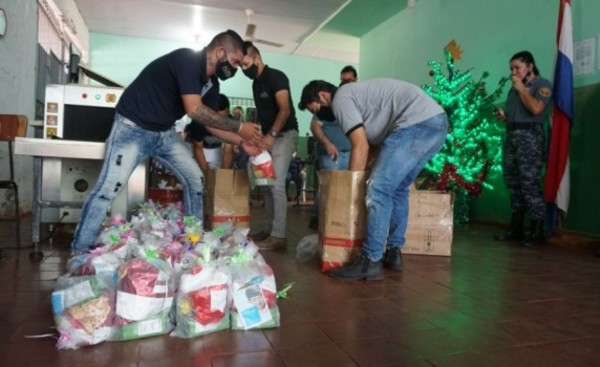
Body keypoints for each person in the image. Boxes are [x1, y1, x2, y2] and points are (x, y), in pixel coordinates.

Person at [70, 30, 262, 254]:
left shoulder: (211, 83)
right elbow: (194, 110)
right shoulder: (187, 60)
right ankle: (80, 249)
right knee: (108, 189)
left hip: (163, 133)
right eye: (235, 62)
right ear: (220, 52)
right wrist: (240, 127)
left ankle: (194, 244)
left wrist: (241, 142)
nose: (236, 69)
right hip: (132, 127)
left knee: (195, 180)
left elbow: (211, 124)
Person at [299, 79, 448, 280]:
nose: (317, 115)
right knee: (397, 189)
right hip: (436, 124)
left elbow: (360, 146)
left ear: (323, 95)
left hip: (416, 123)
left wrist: (350, 189)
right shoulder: (361, 101)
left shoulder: (341, 98)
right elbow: (373, 149)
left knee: (378, 189)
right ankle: (394, 253)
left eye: (315, 109)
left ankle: (371, 260)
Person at [241, 41, 299, 251]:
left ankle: (279, 235)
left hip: (284, 134)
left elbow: (284, 110)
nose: (243, 69)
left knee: (277, 184)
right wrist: (260, 136)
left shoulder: (276, 76)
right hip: (269, 135)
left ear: (257, 58)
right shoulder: (255, 84)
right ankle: (267, 229)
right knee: (265, 183)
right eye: (241, 66)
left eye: (246, 64)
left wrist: (272, 135)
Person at [493, 51, 552, 247]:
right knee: (512, 183)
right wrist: (505, 116)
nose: (514, 72)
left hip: (530, 138)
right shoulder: (513, 90)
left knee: (529, 184)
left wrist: (521, 89)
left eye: (517, 67)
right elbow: (517, 114)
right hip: (512, 137)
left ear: (530, 67)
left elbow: (536, 109)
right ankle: (516, 228)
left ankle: (537, 232)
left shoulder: (542, 85)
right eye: (511, 68)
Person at [308, 67, 356, 229]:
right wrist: (327, 143)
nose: (345, 83)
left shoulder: (353, 102)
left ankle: (338, 220)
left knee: (346, 188)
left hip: (350, 153)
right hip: (330, 154)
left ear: (356, 80)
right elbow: (315, 125)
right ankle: (318, 218)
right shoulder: (328, 105)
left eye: (349, 80)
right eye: (343, 80)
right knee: (328, 187)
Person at [187, 94, 230, 174]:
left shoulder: (231, 124)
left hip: (216, 151)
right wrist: (207, 175)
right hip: (198, 148)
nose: (214, 117)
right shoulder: (198, 121)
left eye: (218, 113)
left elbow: (228, 152)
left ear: (226, 111)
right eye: (212, 113)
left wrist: (224, 175)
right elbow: (198, 149)